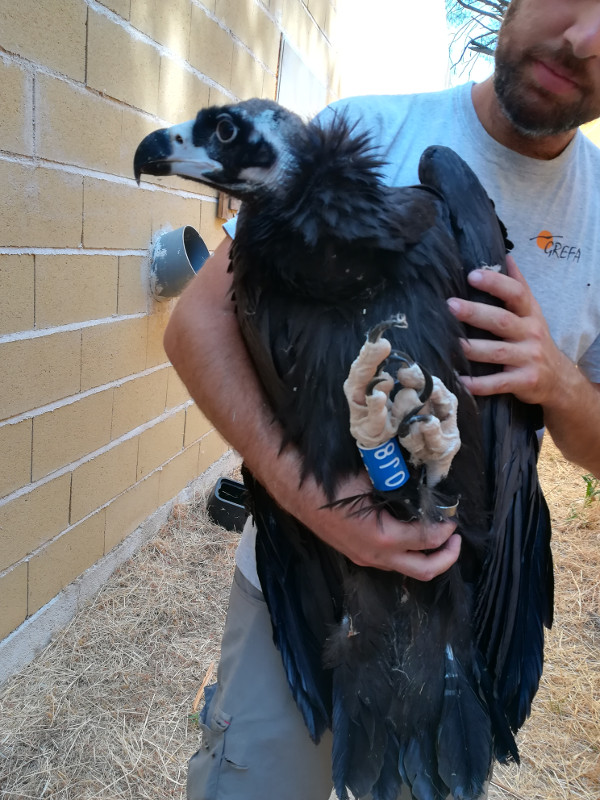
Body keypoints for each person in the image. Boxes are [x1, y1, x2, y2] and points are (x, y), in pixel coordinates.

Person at [165, 1, 600, 797]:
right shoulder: (347, 135)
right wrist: (315, 498)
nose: (585, 40)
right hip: (295, 580)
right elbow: (196, 326)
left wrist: (560, 381)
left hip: (453, 615)